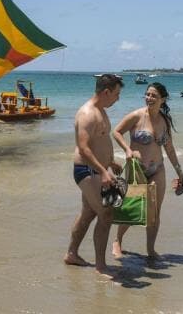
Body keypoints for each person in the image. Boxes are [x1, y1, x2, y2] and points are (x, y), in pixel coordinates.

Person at [111, 81, 183, 260]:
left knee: (154, 211)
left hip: (157, 169)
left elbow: (169, 149)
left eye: (154, 95)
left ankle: (150, 250)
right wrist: (128, 150)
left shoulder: (164, 121)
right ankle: (117, 241)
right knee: (132, 208)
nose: (149, 98)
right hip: (137, 170)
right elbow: (117, 132)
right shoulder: (136, 116)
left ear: (163, 99)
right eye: (147, 94)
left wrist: (179, 172)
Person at [64, 73, 124, 276]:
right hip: (87, 171)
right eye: (116, 94)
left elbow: (99, 144)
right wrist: (102, 171)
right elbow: (84, 148)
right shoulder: (87, 113)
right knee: (106, 214)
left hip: (98, 169)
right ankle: (100, 266)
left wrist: (111, 162)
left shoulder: (101, 111)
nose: (118, 98)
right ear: (106, 92)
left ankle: (72, 254)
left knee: (88, 214)